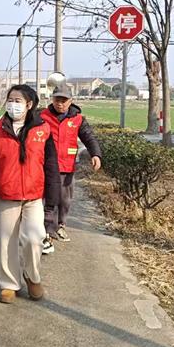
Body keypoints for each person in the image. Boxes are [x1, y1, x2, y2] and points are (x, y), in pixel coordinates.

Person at [0, 85, 60, 304]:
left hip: (34, 195)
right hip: (7, 194)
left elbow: (51, 165)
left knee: (34, 238)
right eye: (10, 100)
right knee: (7, 241)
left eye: (18, 101)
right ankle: (9, 284)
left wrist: (53, 197)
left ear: (29, 105)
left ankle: (32, 277)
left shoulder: (43, 130)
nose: (12, 105)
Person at [40, 83, 102, 254]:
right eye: (57, 100)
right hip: (46, 166)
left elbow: (89, 138)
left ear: (71, 101)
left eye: (64, 100)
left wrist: (96, 154)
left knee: (64, 200)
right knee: (48, 200)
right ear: (52, 99)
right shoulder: (42, 116)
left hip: (67, 167)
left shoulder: (78, 119)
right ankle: (48, 231)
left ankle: (61, 225)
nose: (60, 103)